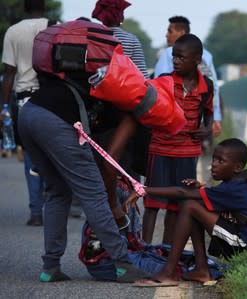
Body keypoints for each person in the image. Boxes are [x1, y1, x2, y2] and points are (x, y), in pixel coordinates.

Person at [17, 47, 148, 284]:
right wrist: (113, 205)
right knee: (94, 194)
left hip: (28, 114)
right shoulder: (125, 110)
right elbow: (109, 162)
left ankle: (51, 267)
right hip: (55, 123)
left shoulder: (86, 78)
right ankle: (123, 264)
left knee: (57, 191)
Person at [124, 138, 247, 285]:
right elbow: (209, 195)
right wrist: (199, 189)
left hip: (245, 245)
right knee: (194, 205)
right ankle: (202, 270)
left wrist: (145, 190)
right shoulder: (242, 180)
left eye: (221, 161)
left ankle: (169, 272)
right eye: (214, 159)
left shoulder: (231, 189)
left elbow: (182, 192)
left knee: (189, 206)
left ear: (237, 167)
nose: (213, 164)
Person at [142, 34, 213, 245]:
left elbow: (208, 112)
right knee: (152, 203)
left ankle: (166, 248)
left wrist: (206, 129)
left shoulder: (206, 86)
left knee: (177, 204)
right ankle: (145, 248)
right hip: (160, 148)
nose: (176, 61)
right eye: (174, 57)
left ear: (197, 60)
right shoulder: (163, 81)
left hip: (187, 151)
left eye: (181, 58)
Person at [91, 0, 149, 232]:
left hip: (97, 117)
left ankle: (100, 232)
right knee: (126, 173)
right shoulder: (131, 40)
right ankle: (128, 232)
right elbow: (143, 80)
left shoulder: (92, 38)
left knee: (100, 174)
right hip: (126, 115)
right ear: (121, 18)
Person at [1, 0, 49, 226]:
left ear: (24, 8)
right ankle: (54, 203)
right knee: (52, 154)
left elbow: (9, 72)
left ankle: (36, 212)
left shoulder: (13, 31)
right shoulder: (54, 27)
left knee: (31, 156)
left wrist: (3, 108)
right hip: (52, 100)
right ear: (44, 7)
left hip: (25, 102)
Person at [153, 16, 222, 137]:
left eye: (170, 31)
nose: (166, 35)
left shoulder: (168, 53)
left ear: (182, 33)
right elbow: (214, 86)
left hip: (172, 120)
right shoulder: (206, 55)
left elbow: (158, 87)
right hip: (198, 120)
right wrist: (215, 118)